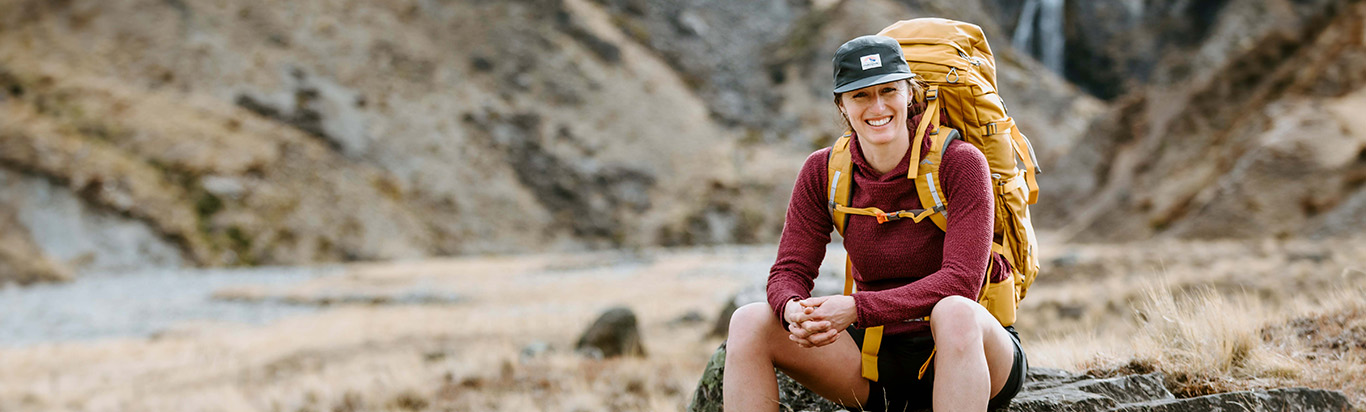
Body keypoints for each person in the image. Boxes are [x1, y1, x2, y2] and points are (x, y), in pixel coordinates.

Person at [722, 35, 1027, 412]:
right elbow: (789, 269)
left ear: (910, 94)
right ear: (842, 105)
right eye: (861, 95)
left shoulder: (960, 162)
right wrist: (792, 308)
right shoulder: (823, 171)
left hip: (973, 352)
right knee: (748, 321)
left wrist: (855, 308)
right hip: (875, 361)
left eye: (888, 90)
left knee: (955, 311)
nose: (877, 106)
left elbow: (961, 282)